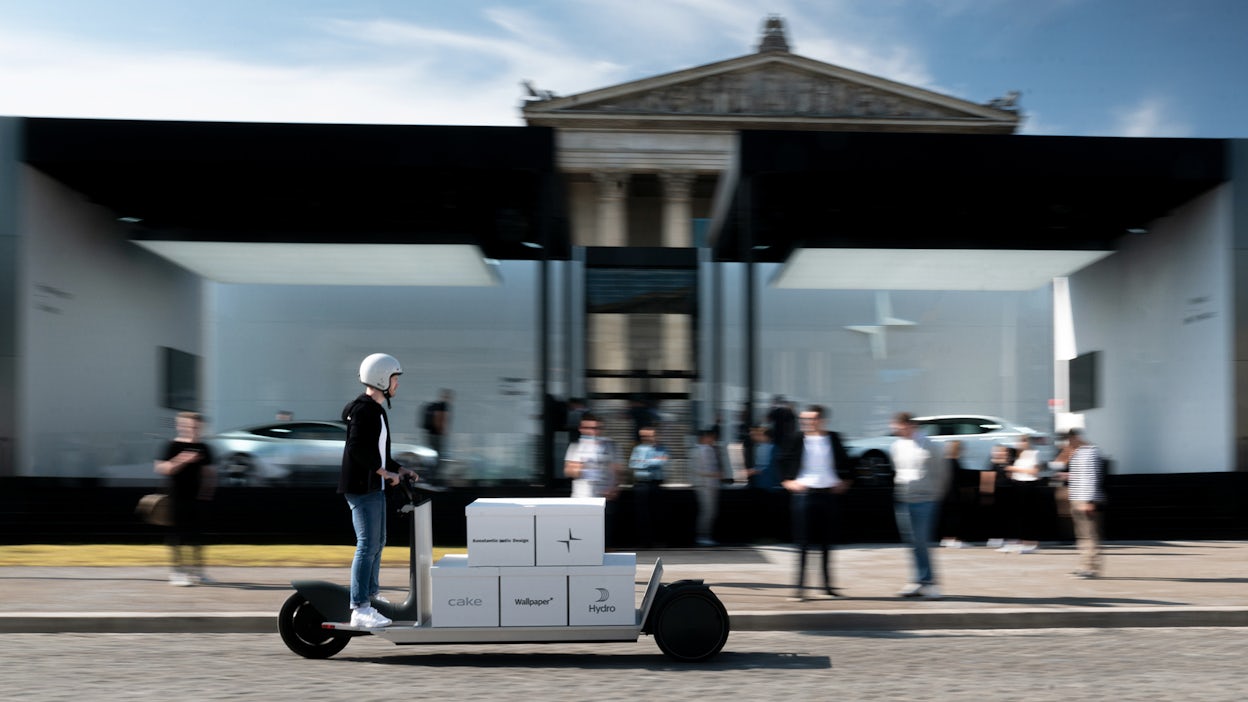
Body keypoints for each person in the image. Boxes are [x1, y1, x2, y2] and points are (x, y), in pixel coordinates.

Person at [339, 353, 419, 629]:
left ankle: (371, 595)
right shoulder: (364, 410)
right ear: (382, 378)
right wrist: (382, 471)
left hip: (374, 486)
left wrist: (400, 469)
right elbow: (356, 448)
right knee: (367, 545)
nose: (397, 384)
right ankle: (359, 608)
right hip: (362, 487)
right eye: (395, 379)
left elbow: (379, 454)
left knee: (378, 541)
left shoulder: (376, 410)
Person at [777, 405, 853, 600]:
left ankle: (826, 586)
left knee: (827, 543)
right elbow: (782, 460)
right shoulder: (797, 439)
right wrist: (787, 481)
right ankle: (800, 588)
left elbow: (847, 462)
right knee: (803, 543)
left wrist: (846, 481)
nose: (807, 423)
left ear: (821, 420)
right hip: (804, 495)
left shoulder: (833, 438)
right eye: (805, 420)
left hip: (828, 495)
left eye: (812, 419)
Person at [890, 412, 950, 600]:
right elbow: (898, 470)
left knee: (922, 542)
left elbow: (942, 473)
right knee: (912, 543)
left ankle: (930, 582)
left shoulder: (930, 445)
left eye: (899, 427)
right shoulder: (896, 446)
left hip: (925, 500)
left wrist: (934, 494)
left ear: (909, 425)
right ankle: (918, 581)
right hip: (904, 499)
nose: (896, 431)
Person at [154, 411, 216, 587]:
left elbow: (209, 472)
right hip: (176, 497)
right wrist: (183, 459)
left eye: (196, 426)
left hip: (197, 499)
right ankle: (177, 572)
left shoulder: (204, 447)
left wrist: (207, 491)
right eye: (189, 426)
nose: (193, 429)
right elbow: (162, 469)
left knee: (197, 536)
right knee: (176, 536)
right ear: (180, 426)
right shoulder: (171, 446)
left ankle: (198, 572)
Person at [1058, 429, 1105, 578]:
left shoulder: (1090, 452)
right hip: (1076, 498)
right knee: (1082, 535)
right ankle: (1084, 565)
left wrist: (1089, 501)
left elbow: (1092, 477)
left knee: (1089, 534)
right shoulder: (1077, 452)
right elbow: (1080, 474)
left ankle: (1092, 567)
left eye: (1069, 439)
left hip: (1085, 499)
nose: (1067, 443)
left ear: (1076, 437)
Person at [1001, 435, 1045, 553]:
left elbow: (1035, 471)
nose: (1020, 444)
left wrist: (1014, 469)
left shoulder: (1034, 453)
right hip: (1017, 484)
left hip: (1029, 485)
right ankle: (1020, 541)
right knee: (1018, 515)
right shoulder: (1018, 455)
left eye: (1023, 441)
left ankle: (1032, 543)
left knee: (1029, 515)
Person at [628, 425, 668, 547]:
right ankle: (644, 541)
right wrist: (653, 461)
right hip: (642, 484)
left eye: (649, 435)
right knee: (642, 514)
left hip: (656, 484)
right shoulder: (637, 449)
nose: (646, 438)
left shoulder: (661, 449)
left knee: (657, 513)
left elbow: (662, 461)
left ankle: (657, 540)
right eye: (644, 436)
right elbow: (633, 464)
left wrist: (644, 462)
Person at [938, 440, 978, 549]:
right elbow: (957, 480)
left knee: (948, 517)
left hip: (945, 494)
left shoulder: (944, 462)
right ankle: (952, 539)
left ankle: (946, 539)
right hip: (953, 494)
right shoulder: (954, 462)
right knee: (954, 517)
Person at [692, 427, 723, 546]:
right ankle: (702, 536)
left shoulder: (710, 449)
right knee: (707, 512)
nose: (713, 440)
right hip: (704, 486)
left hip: (712, 485)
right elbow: (698, 471)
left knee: (711, 512)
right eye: (712, 437)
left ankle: (706, 535)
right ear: (705, 437)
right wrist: (715, 474)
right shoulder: (698, 450)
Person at [422, 388, 452, 485]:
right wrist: (442, 431)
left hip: (430, 434)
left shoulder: (436, 405)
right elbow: (440, 418)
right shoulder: (443, 405)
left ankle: (431, 477)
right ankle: (434, 478)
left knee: (434, 456)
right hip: (437, 435)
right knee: (439, 457)